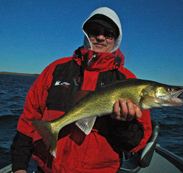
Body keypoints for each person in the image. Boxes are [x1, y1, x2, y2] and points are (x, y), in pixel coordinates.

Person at [11, 7, 152, 173]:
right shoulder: (55, 69)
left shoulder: (128, 80)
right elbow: (29, 119)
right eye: (95, 31)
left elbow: (136, 144)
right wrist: (19, 167)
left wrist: (123, 126)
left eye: (108, 34)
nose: (101, 37)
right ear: (86, 33)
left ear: (116, 39)